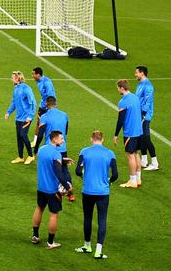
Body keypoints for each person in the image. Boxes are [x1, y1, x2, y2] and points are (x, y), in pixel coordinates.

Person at [75, 130, 118, 259]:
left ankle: (87, 246)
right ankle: (98, 251)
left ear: (91, 139)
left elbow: (77, 171)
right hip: (103, 192)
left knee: (87, 218)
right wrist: (109, 182)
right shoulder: (110, 153)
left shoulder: (84, 152)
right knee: (102, 220)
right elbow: (115, 175)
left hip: (87, 190)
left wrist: (85, 176)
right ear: (102, 139)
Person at [32, 130, 72, 249]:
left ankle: (35, 236)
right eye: (61, 138)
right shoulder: (56, 154)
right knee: (53, 214)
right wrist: (67, 187)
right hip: (53, 190)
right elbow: (59, 174)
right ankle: (50, 242)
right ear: (54, 139)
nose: (63, 140)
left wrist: (63, 161)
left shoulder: (42, 149)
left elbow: (46, 161)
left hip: (41, 187)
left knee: (39, 208)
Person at [37, 97, 73, 201]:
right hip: (62, 146)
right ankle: (70, 193)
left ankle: (53, 190)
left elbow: (40, 135)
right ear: (56, 103)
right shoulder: (64, 115)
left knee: (50, 170)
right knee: (65, 170)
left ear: (46, 105)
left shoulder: (44, 117)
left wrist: (36, 149)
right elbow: (65, 131)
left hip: (50, 148)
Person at [113, 80, 143, 189]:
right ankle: (138, 178)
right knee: (136, 154)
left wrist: (116, 135)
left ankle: (132, 180)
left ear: (122, 88)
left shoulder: (123, 102)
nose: (117, 90)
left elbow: (120, 120)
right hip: (139, 131)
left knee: (130, 156)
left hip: (130, 132)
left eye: (118, 88)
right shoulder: (135, 97)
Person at [5, 70, 37, 165]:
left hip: (26, 118)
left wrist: (30, 116)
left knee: (23, 135)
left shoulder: (26, 88)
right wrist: (8, 112)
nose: (11, 79)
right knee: (19, 137)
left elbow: (33, 103)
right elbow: (14, 102)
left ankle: (31, 156)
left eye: (13, 77)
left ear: (17, 78)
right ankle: (20, 157)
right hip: (18, 118)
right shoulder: (16, 88)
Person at [135, 66, 158, 171]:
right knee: (141, 137)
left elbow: (148, 101)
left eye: (136, 72)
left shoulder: (148, 86)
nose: (135, 74)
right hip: (139, 114)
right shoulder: (140, 84)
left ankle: (154, 163)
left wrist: (143, 114)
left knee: (146, 138)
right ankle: (144, 160)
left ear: (142, 73)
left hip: (145, 115)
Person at [31, 67, 56, 152]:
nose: (32, 76)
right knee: (38, 122)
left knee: (49, 124)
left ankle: (51, 142)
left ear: (38, 74)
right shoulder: (38, 82)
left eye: (33, 74)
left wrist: (47, 107)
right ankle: (35, 141)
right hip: (43, 104)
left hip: (49, 105)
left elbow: (50, 96)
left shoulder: (47, 83)